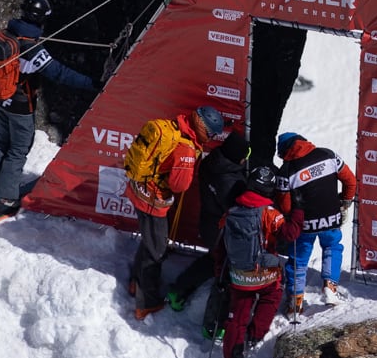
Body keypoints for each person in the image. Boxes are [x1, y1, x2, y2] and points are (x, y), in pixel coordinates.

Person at [0, 0, 96, 217]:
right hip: (19, 104)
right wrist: (93, 84)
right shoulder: (30, 46)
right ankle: (5, 198)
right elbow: (58, 72)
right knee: (18, 149)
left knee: (1, 143)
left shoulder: (6, 35)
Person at [126, 105, 230, 319]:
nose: (210, 138)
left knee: (150, 242)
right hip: (154, 200)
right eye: (210, 134)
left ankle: (136, 283)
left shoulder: (174, 127)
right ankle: (147, 303)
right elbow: (180, 185)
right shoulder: (186, 149)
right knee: (156, 251)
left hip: (139, 187)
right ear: (204, 129)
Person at [166, 126, 253, 311]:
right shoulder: (231, 182)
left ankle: (179, 289)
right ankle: (211, 313)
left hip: (208, 221)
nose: (246, 159)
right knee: (221, 267)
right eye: (245, 155)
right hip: (222, 230)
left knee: (214, 260)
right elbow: (237, 210)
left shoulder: (211, 162)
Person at [218, 166, 301, 358]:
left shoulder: (231, 213)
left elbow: (220, 248)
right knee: (272, 295)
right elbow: (290, 234)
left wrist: (219, 274)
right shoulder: (270, 213)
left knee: (238, 313)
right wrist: (298, 210)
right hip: (264, 274)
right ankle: (255, 334)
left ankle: (232, 351)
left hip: (238, 275)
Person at [276, 132, 356, 313]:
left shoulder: (286, 171)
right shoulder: (328, 155)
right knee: (332, 247)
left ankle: (295, 301)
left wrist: (292, 218)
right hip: (331, 217)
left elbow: (285, 204)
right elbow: (350, 181)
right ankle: (330, 287)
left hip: (304, 224)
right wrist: (344, 201)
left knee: (298, 260)